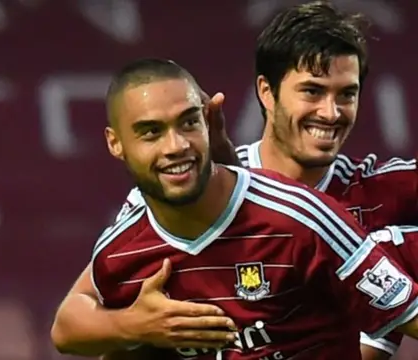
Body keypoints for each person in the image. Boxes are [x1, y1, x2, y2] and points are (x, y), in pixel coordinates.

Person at [50, 2, 418, 360]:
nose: (330, 112)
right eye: (312, 91)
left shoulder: (381, 190)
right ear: (266, 92)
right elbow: (72, 322)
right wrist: (134, 326)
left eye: (347, 94)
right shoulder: (189, 191)